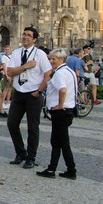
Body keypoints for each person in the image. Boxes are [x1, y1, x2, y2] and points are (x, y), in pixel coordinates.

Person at [6, 26, 52, 169]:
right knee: (12, 123)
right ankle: (21, 152)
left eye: (28, 35)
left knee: (33, 127)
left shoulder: (40, 54)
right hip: (19, 92)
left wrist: (39, 91)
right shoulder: (16, 53)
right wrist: (26, 66)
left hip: (33, 94)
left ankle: (31, 157)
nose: (25, 37)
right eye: (24, 34)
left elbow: (48, 74)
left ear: (34, 39)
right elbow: (10, 71)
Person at [36, 48, 78, 180]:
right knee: (57, 141)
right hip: (68, 110)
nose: (51, 61)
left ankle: (70, 170)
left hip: (61, 112)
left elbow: (63, 90)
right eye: (50, 58)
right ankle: (52, 168)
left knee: (62, 142)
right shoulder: (69, 71)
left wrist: (59, 105)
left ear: (62, 59)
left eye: (54, 59)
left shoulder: (60, 73)